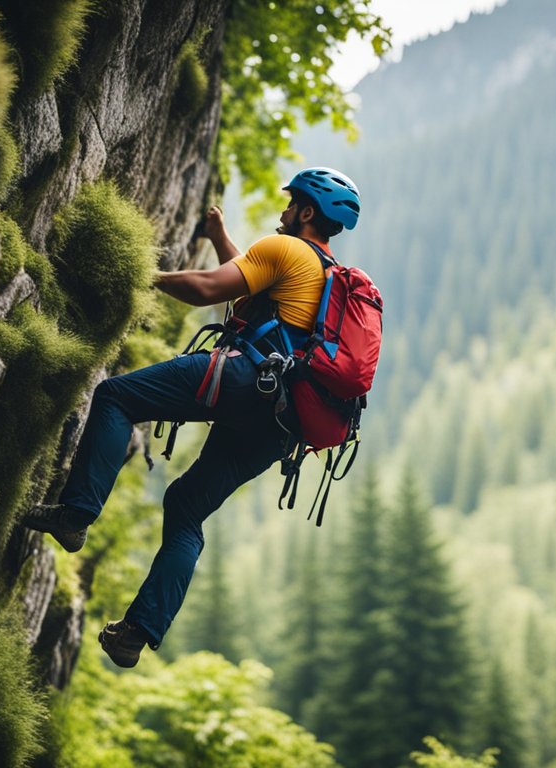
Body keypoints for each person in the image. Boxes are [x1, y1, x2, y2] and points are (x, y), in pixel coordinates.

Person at [21, 167, 362, 668]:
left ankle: (76, 515)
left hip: (244, 379)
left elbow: (209, 289)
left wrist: (144, 276)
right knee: (186, 507)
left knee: (117, 397)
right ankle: (137, 631)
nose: (283, 209)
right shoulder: (325, 276)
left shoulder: (285, 248)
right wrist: (221, 237)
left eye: (292, 203)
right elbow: (250, 290)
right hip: (281, 424)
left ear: (308, 212)